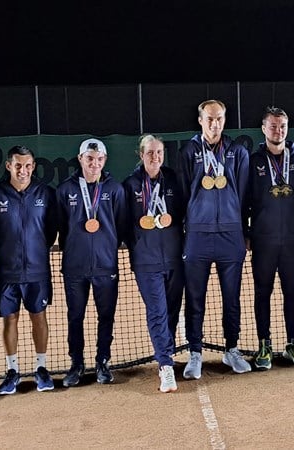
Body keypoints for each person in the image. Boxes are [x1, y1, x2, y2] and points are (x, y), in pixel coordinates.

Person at [178, 99, 251, 379]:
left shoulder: (238, 152)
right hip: (197, 235)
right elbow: (184, 194)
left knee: (231, 298)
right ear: (200, 121)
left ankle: (231, 349)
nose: (214, 124)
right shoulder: (188, 151)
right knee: (195, 298)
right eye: (209, 119)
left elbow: (244, 196)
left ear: (224, 119)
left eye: (219, 118)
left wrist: (243, 231)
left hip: (230, 236)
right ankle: (195, 353)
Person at [245, 107, 294, 370]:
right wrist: (246, 232)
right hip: (263, 240)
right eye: (273, 126)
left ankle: (293, 342)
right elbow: (245, 200)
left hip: (292, 240)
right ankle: (264, 344)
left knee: (292, 293)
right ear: (263, 129)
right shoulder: (253, 161)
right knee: (262, 293)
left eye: (283, 126)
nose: (279, 131)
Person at [0, 145, 58, 394]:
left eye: (28, 165)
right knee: (10, 319)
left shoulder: (45, 193)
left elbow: (50, 232)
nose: (23, 170)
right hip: (6, 272)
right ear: (8, 166)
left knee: (39, 317)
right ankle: (12, 371)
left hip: (37, 271)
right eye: (18, 165)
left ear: (33, 166)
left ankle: (41, 368)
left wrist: (35, 250)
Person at [56, 138, 127, 386]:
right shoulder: (65, 190)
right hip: (74, 267)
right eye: (89, 158)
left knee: (106, 316)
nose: (94, 163)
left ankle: (103, 362)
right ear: (80, 159)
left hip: (106, 266)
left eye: (99, 159)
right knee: (75, 316)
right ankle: (76, 364)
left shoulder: (115, 190)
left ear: (104, 161)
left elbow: (119, 227)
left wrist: (105, 250)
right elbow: (62, 228)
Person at [122, 135, 184, 393]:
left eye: (159, 152)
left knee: (171, 309)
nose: (155, 157)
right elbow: (124, 223)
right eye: (150, 152)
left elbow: (181, 213)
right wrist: (138, 244)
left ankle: (165, 353)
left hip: (173, 257)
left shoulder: (172, 179)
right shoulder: (130, 184)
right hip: (146, 261)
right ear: (140, 154)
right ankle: (166, 365)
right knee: (157, 310)